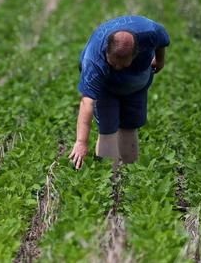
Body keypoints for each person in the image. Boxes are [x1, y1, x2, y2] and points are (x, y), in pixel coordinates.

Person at [68, 15, 170, 170]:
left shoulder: (150, 32)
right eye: (113, 63)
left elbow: (162, 42)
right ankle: (109, 180)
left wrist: (160, 60)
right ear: (106, 51)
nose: (117, 67)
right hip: (106, 88)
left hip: (136, 85)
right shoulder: (94, 61)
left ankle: (132, 174)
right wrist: (81, 142)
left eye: (123, 64)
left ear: (135, 54)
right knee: (108, 130)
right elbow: (87, 102)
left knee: (129, 126)